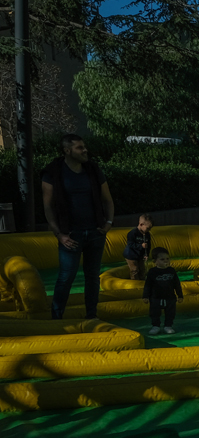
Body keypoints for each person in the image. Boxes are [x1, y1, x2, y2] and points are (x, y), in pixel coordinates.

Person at [41, 133, 116, 319]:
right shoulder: (52, 171)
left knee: (93, 276)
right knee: (66, 276)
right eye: (79, 148)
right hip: (70, 233)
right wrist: (59, 234)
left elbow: (107, 199)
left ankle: (92, 315)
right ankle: (56, 317)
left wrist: (108, 223)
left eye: (84, 147)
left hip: (95, 231)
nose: (85, 150)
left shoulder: (92, 169)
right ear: (67, 150)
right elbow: (48, 206)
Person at [142, 247, 183, 335]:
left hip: (170, 297)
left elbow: (177, 284)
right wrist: (145, 296)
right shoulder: (152, 272)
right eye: (162, 259)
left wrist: (180, 295)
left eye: (167, 259)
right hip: (156, 297)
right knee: (154, 312)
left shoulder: (171, 271)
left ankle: (168, 326)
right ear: (155, 261)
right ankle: (155, 326)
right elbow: (148, 285)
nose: (166, 261)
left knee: (170, 313)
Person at [123, 214, 154, 281]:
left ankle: (142, 282)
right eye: (148, 228)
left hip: (140, 255)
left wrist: (146, 254)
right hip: (131, 255)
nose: (149, 230)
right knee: (135, 270)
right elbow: (130, 244)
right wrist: (140, 246)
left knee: (143, 269)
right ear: (141, 224)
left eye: (150, 228)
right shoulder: (132, 233)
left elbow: (148, 245)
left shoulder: (147, 234)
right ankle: (135, 284)